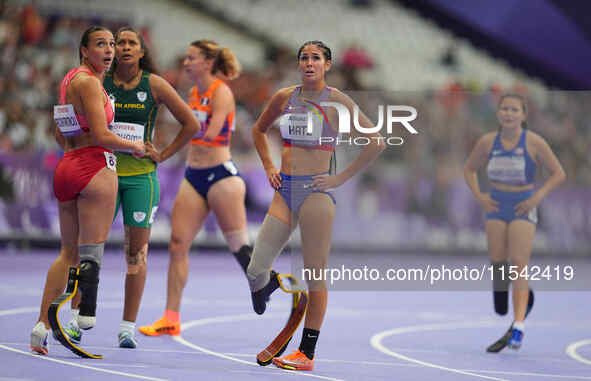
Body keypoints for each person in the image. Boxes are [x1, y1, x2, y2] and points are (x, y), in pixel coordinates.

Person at [246, 40, 385, 371]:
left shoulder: (337, 101)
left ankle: (306, 353)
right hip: (285, 190)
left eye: (316, 58)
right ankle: (277, 291)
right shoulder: (285, 97)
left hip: (317, 194)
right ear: (298, 65)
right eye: (304, 58)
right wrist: (268, 166)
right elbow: (258, 130)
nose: (309, 63)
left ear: (328, 65)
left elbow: (376, 142)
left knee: (314, 275)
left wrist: (339, 178)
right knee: (255, 271)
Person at [63, 27, 200, 349]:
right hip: (101, 174)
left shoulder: (154, 84)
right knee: (88, 251)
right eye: (118, 42)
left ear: (141, 52)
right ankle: (73, 320)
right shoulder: (97, 81)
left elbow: (191, 124)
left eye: (130, 43)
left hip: (141, 178)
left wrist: (162, 155)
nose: (123, 47)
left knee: (136, 254)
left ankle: (127, 327)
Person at [30, 26, 145, 355]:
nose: (110, 50)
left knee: (69, 254)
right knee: (91, 254)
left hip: (67, 166)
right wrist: (135, 146)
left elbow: (59, 133)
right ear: (84, 51)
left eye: (112, 44)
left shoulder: (69, 80)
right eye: (101, 45)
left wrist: (78, 149)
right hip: (95, 167)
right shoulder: (91, 84)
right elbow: (102, 135)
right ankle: (84, 316)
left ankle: (42, 326)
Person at [138, 40, 255, 336]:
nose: (186, 63)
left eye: (191, 58)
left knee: (238, 246)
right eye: (186, 58)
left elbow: (210, 133)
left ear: (207, 62)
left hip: (221, 175)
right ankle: (171, 317)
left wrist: (178, 135)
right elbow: (190, 131)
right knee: (178, 244)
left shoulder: (222, 92)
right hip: (194, 175)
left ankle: (262, 284)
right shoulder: (193, 93)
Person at [464, 93, 565, 350]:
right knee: (498, 262)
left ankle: (519, 325)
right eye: (504, 109)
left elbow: (558, 173)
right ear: (498, 114)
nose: (508, 113)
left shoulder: (534, 142)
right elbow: (469, 169)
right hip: (496, 205)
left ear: (523, 115)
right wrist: (480, 197)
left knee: (519, 264)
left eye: (514, 110)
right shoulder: (488, 142)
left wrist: (537, 198)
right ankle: (506, 296)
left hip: (522, 205)